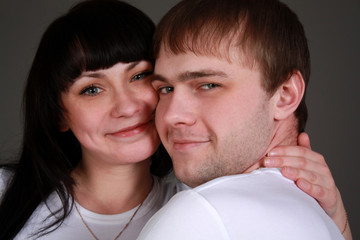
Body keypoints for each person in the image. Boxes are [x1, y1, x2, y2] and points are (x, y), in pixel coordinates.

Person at [0, 0, 350, 240]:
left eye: (141, 78)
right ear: (59, 114)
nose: (126, 106)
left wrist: (335, 219)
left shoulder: (202, 210)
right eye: (92, 89)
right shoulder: (6, 193)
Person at [137, 0, 352, 239]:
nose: (171, 115)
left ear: (285, 95)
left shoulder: (200, 213)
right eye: (165, 89)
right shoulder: (320, 216)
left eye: (208, 85)